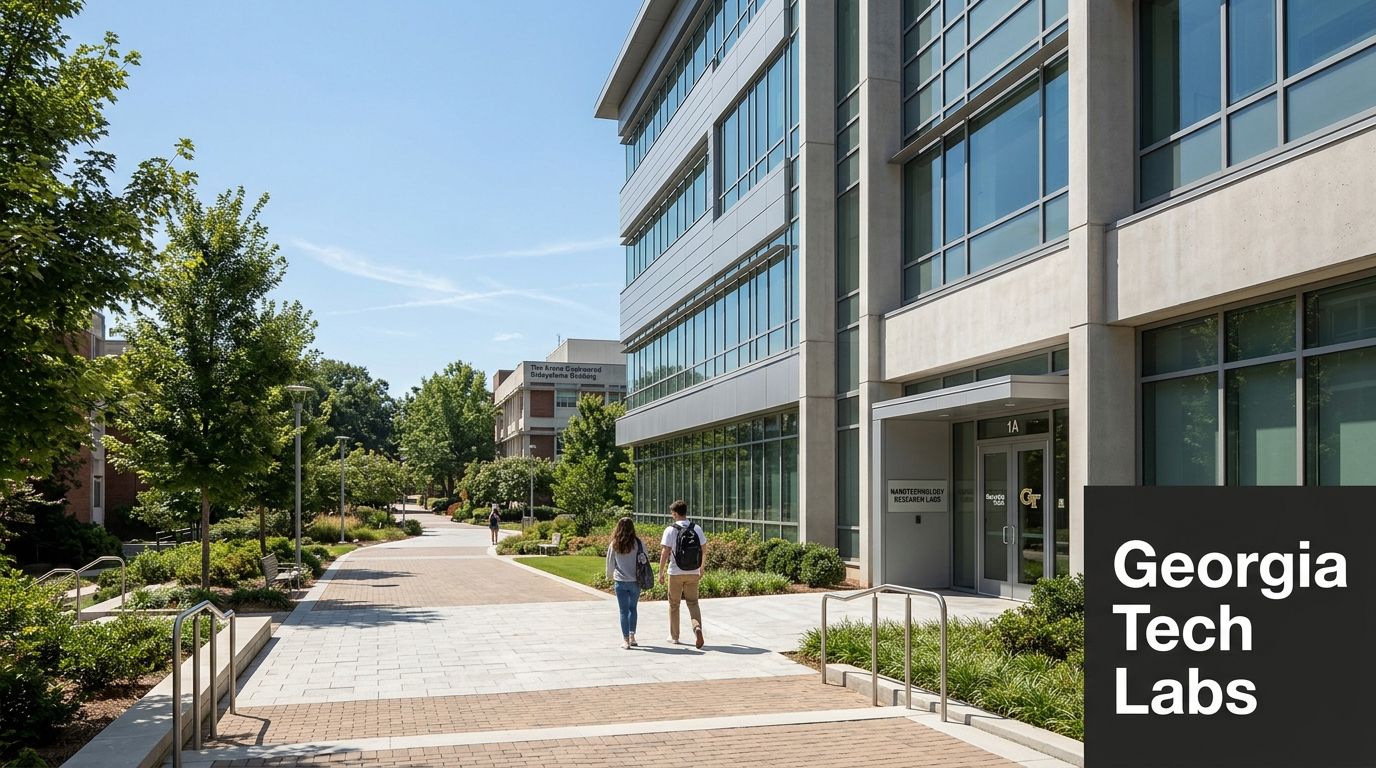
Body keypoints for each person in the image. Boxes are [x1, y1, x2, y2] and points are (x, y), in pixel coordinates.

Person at [659, 499, 707, 649]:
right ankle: (697, 628)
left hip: (675, 572)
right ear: (685, 512)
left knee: (674, 604)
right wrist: (702, 567)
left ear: (675, 513)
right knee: (693, 603)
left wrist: (660, 572)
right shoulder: (696, 528)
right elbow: (704, 549)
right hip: (693, 571)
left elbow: (665, 552)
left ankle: (674, 636)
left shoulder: (670, 530)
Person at [605, 516, 646, 649]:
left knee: (623, 611)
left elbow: (610, 563)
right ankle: (633, 635)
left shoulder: (615, 543)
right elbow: (646, 559)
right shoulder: (638, 543)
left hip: (620, 581)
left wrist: (609, 576)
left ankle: (626, 640)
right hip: (635, 581)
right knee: (633, 609)